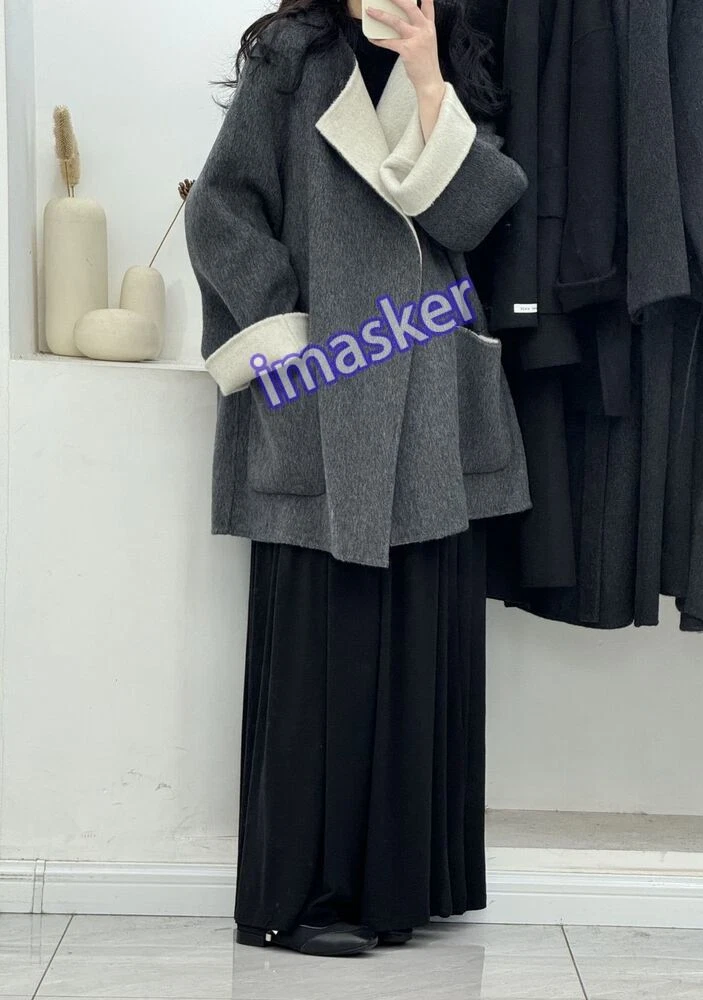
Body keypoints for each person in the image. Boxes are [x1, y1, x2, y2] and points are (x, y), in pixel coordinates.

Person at [184, 0, 529, 958]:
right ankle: (298, 902)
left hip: (426, 404)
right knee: (317, 649)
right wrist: (286, 339)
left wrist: (428, 78)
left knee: (417, 640)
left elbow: (474, 214)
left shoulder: (456, 62)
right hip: (325, 391)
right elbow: (220, 208)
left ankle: (400, 894)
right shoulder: (293, 60)